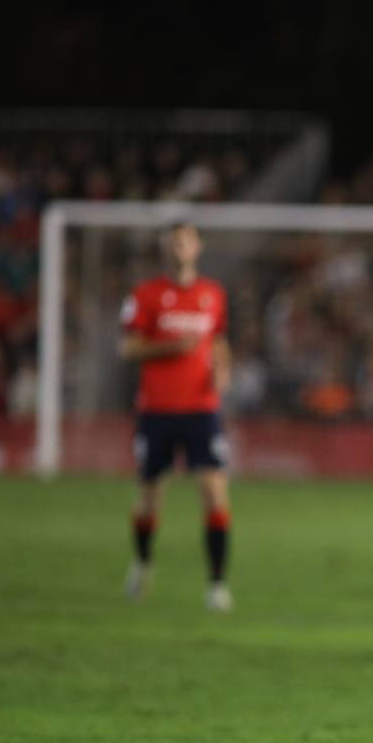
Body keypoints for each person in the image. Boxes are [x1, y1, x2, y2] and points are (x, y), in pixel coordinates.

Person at [120, 222, 234, 612]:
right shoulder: (146, 295)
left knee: (215, 492)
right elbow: (129, 348)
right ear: (166, 249)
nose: (179, 247)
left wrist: (224, 370)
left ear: (197, 247)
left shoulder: (212, 294)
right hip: (157, 410)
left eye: (185, 240)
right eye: (173, 242)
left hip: (202, 409)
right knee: (150, 497)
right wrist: (171, 346)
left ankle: (217, 584)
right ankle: (142, 562)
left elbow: (218, 341)